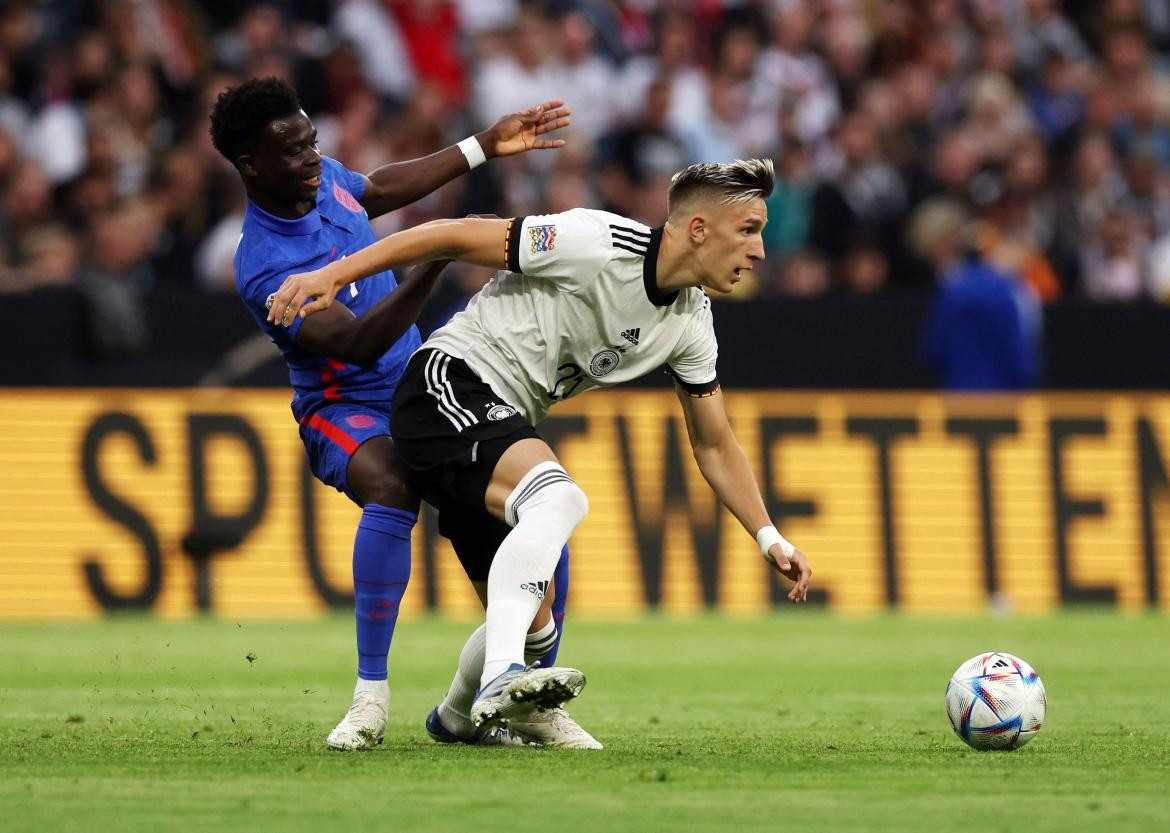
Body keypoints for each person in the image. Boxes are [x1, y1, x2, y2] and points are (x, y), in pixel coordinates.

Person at [266, 159, 814, 729]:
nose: (760, 251)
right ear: (698, 229)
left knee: (538, 620)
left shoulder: (691, 323)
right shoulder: (596, 242)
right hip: (446, 382)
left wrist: (768, 536)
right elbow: (450, 234)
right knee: (558, 499)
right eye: (749, 230)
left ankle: (457, 718)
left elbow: (716, 443)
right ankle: (502, 676)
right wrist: (333, 276)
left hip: (499, 423)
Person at [209, 77, 598, 751]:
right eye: (295, 151)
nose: (312, 157)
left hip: (421, 392)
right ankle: (369, 699)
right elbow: (359, 343)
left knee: (529, 507)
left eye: (312, 142)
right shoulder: (264, 263)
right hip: (342, 408)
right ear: (252, 165)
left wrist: (482, 146)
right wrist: (437, 249)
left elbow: (378, 188)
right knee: (392, 480)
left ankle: (513, 698)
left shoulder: (321, 179)